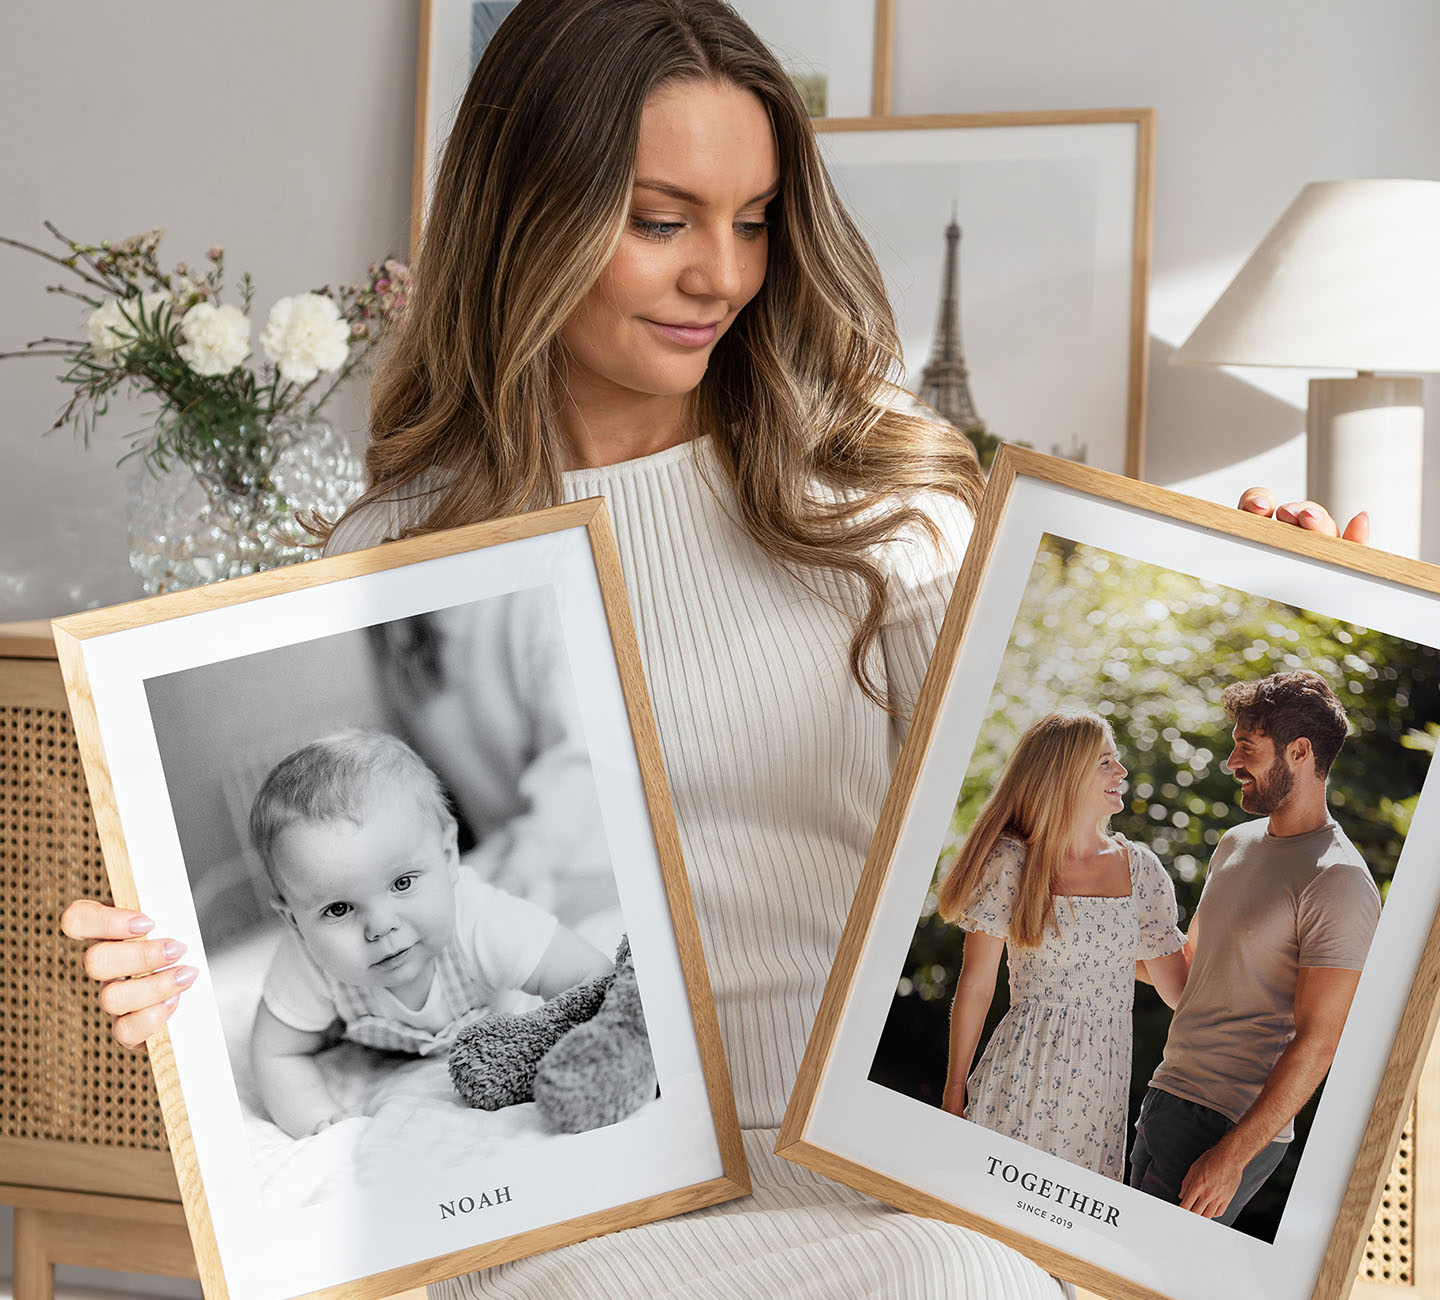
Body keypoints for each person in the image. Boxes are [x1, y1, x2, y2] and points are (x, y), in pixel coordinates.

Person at [58, 1, 1370, 1294]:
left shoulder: (883, 506)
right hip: (575, 1177)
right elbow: (343, 889)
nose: (725, 276)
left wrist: (1271, 590)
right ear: (529, 213)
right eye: (661, 219)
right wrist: (154, 973)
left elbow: (1053, 779)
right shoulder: (400, 544)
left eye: (753, 222)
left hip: (873, 1187)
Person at [246, 729, 610, 1138]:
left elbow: (594, 980)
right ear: (294, 921)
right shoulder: (307, 961)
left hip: (491, 972)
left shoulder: (480, 921)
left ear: (448, 855)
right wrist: (318, 1122)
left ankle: (524, 873)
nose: (381, 926)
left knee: (537, 895)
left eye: (402, 883)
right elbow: (275, 1052)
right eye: (339, 909)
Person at [1129, 669, 1382, 1226]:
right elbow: (1190, 977)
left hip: (1225, 1124)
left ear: (1298, 751)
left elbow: (1320, 1040)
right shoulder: (1237, 842)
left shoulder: (1337, 880)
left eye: (1247, 748)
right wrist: (1087, 941)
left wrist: (1233, 1156)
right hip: (1166, 1095)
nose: (1231, 762)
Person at [935, 712, 1188, 1180]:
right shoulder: (1013, 861)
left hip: (1100, 1093)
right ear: (1065, 773)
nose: (1122, 773)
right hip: (1019, 1075)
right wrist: (954, 1090)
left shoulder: (1143, 870)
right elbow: (975, 985)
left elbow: (1179, 992)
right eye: (1105, 762)